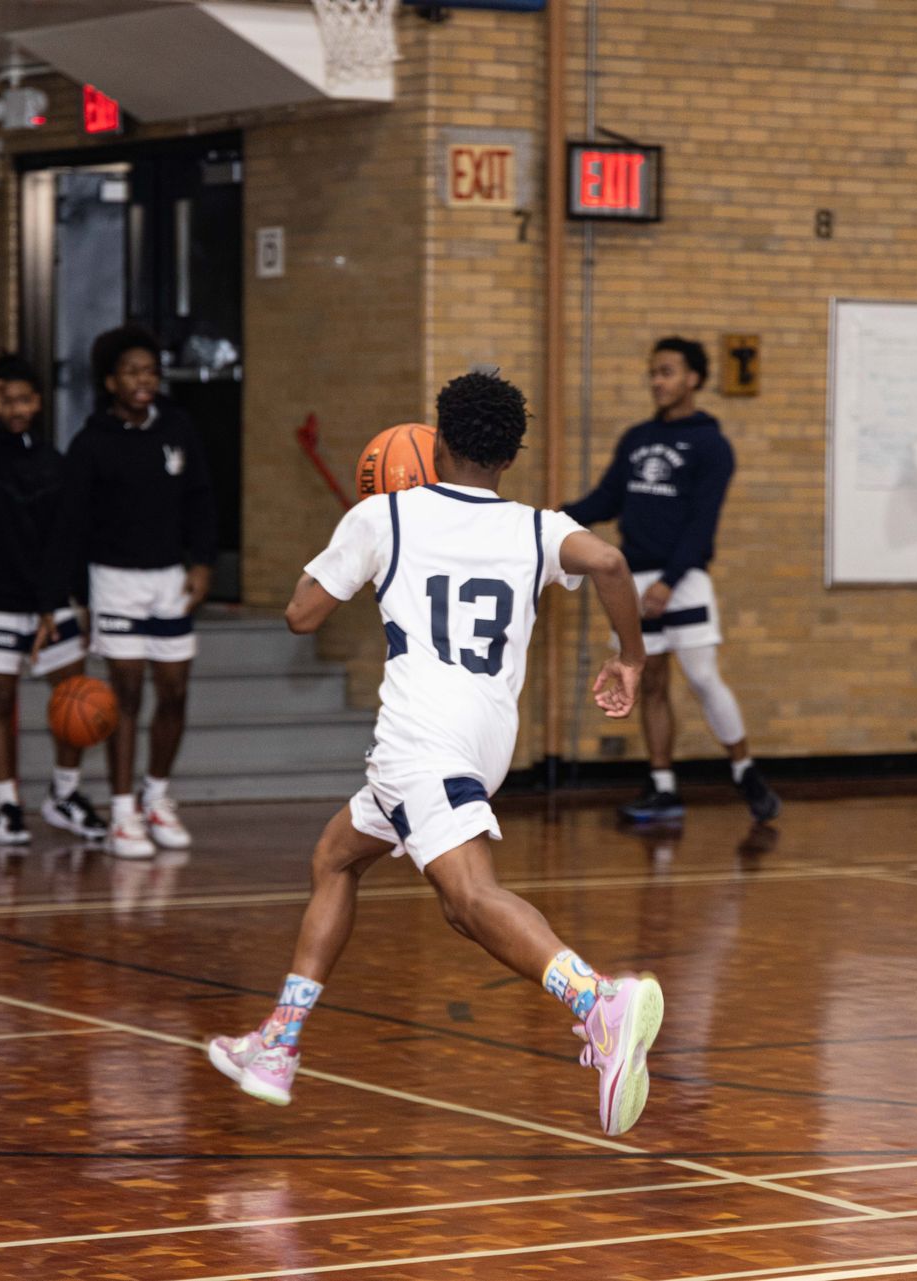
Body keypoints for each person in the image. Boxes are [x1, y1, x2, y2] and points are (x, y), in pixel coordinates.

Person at [208, 372, 666, 1137]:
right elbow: (613, 565)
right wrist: (631, 658)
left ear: (437, 441)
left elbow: (298, 614)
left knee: (469, 899)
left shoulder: (385, 514)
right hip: (480, 744)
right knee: (336, 857)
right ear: (511, 454)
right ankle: (278, 1042)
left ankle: (598, 1001)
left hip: (420, 743)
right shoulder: (536, 526)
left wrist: (354, 543)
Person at [564, 336, 781, 826]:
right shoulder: (636, 439)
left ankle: (744, 769)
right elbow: (605, 500)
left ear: (694, 379)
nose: (657, 381)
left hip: (684, 581)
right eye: (653, 372)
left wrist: (670, 580)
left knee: (703, 677)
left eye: (667, 372)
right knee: (650, 681)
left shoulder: (711, 445)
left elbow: (702, 522)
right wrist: (547, 520)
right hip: (632, 578)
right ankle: (663, 786)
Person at [59, 325, 216, 858]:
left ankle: (157, 798)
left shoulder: (177, 427)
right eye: (131, 372)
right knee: (123, 697)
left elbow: (200, 498)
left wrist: (203, 563)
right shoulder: (90, 444)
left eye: (150, 370)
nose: (143, 380)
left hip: (169, 577)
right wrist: (78, 598)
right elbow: (72, 528)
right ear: (109, 382)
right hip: (114, 582)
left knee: (173, 690)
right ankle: (122, 812)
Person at [0, 354, 108, 846]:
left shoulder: (53, 462)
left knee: (73, 699)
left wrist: (58, 603)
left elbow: (67, 539)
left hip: (50, 602)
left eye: (23, 399)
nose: (16, 408)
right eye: (7, 400)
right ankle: (6, 804)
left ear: (38, 403)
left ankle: (64, 795)